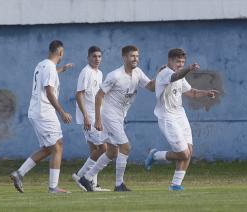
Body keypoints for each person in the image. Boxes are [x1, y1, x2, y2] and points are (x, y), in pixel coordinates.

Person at [78, 45, 155, 192]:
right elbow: (99, 95)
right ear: (124, 57)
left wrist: (160, 75)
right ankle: (119, 184)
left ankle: (86, 178)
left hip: (119, 116)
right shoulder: (115, 75)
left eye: (137, 56)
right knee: (126, 147)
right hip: (109, 115)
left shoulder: (137, 72)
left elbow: (151, 87)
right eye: (132, 56)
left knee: (112, 151)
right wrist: (98, 119)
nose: (135, 59)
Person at [144, 48, 219, 191]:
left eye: (183, 62)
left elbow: (191, 92)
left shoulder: (180, 76)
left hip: (180, 115)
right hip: (167, 117)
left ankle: (175, 185)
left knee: (189, 151)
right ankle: (155, 155)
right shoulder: (165, 73)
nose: (180, 64)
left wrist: (206, 93)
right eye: (178, 61)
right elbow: (175, 76)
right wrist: (189, 69)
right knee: (183, 154)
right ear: (170, 60)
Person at [10, 40, 73, 194]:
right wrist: (62, 112)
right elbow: (50, 92)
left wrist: (61, 70)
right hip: (44, 112)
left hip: (36, 111)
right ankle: (53, 187)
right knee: (58, 146)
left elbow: (47, 76)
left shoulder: (42, 65)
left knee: (48, 148)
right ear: (60, 52)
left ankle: (19, 173)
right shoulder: (50, 68)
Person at [72, 46, 110, 192]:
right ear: (88, 57)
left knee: (95, 150)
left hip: (97, 116)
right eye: (94, 56)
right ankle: (80, 175)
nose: (97, 59)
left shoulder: (99, 73)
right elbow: (79, 94)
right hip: (89, 118)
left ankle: (93, 184)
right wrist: (86, 116)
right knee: (103, 148)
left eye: (99, 56)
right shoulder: (86, 72)